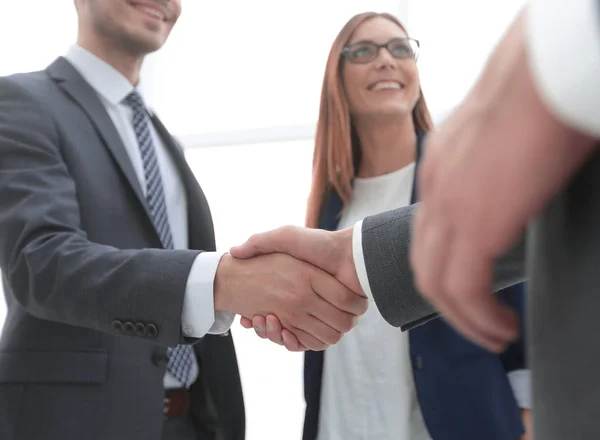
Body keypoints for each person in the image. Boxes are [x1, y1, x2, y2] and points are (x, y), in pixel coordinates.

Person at [232, 0, 600, 438]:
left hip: (453, 422)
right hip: (344, 421)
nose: (385, 59)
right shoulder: (329, 204)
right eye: (364, 51)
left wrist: (527, 414)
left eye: (399, 48)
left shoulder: (460, 180)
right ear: (338, 81)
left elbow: (522, 299)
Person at [0, 1, 367, 439]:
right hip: (75, 421)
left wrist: (262, 290)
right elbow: (40, 263)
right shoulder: (20, 101)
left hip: (189, 420)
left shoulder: (163, 140)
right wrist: (225, 282)